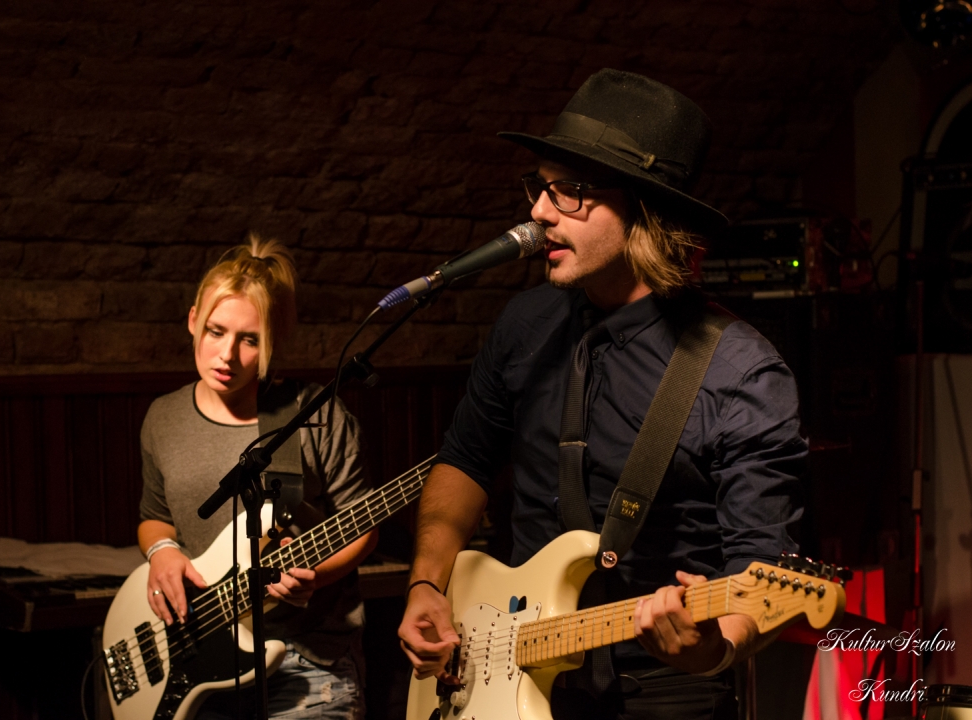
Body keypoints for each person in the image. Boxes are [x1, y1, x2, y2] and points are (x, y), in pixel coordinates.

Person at [397, 69, 807, 719]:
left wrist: (710, 649)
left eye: (571, 191)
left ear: (644, 211)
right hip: (501, 674)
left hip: (662, 692)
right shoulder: (524, 325)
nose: (539, 211)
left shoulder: (741, 373)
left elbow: (762, 574)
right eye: (539, 186)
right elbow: (465, 460)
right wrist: (426, 580)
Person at [138, 235, 377, 719]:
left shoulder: (316, 415)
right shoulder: (163, 417)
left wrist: (315, 576)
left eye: (250, 340)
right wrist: (161, 551)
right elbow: (155, 516)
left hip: (308, 663)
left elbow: (364, 526)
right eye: (215, 331)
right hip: (204, 657)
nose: (227, 355)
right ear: (193, 320)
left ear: (272, 343)